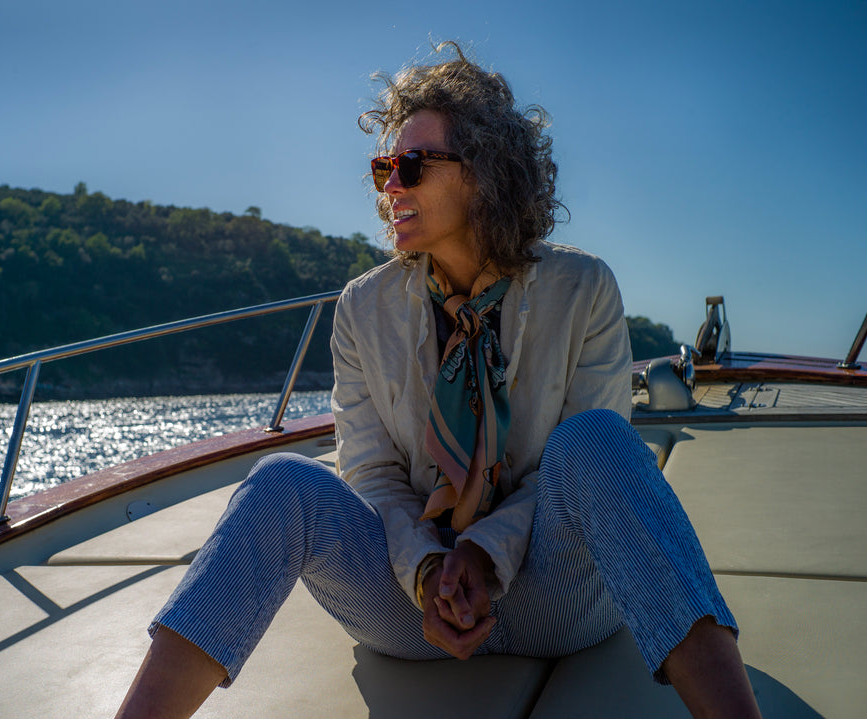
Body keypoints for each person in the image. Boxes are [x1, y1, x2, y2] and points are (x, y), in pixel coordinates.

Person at [115, 43, 761, 719]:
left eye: (413, 166)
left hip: (558, 599)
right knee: (280, 482)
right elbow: (372, 478)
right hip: (409, 607)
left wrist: (481, 554)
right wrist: (428, 570)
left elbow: (576, 482)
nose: (392, 186)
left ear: (483, 173)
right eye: (382, 169)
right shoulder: (363, 311)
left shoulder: (584, 289)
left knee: (598, 440)